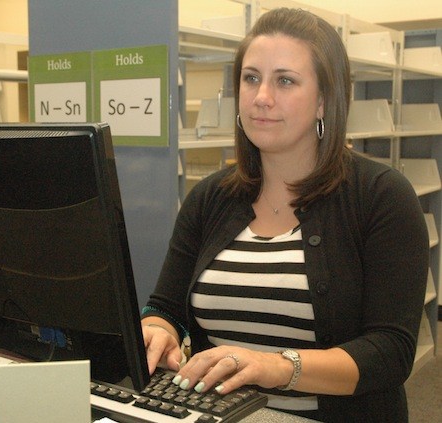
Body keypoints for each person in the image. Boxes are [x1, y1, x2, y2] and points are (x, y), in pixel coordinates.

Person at [141, 7, 429, 422]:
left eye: (286, 81)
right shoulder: (209, 199)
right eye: (251, 78)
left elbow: (390, 351)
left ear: (324, 101)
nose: (261, 97)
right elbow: (165, 306)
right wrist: (158, 330)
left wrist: (276, 367)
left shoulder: (381, 197)